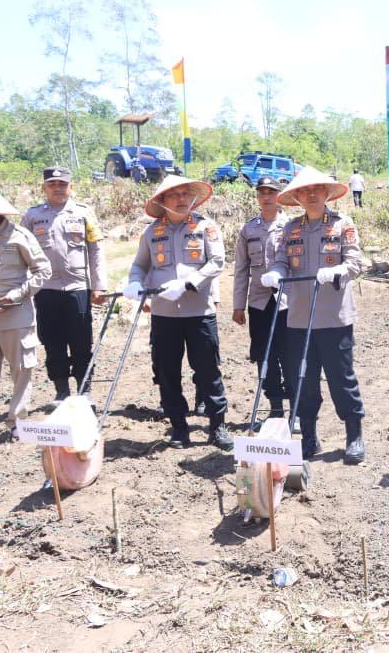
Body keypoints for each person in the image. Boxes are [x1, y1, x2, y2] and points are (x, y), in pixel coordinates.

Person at [260, 167, 366, 462]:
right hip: (298, 319)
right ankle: (308, 437)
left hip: (334, 318)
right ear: (297, 197)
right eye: (304, 191)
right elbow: (282, 261)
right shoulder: (290, 228)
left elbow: (355, 262)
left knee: (341, 379)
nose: (311, 195)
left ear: (326, 193)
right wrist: (275, 273)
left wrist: (336, 270)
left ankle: (354, 436)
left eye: (316, 189)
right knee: (302, 380)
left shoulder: (342, 224)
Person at [125, 175, 232, 450]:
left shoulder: (205, 227)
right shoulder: (152, 232)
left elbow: (217, 260)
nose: (182, 199)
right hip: (164, 315)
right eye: (174, 195)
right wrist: (135, 282)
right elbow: (140, 265)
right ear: (163, 201)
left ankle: (217, 426)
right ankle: (179, 427)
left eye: (186, 194)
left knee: (208, 370)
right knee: (167, 372)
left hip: (199, 312)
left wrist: (188, 282)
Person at [21, 166, 107, 410]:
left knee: (81, 341)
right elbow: (20, 250)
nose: (57, 188)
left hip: (77, 288)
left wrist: (99, 286)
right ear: (44, 188)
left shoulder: (83, 213)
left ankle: (84, 391)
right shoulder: (32, 215)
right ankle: (61, 392)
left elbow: (96, 250)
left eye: (62, 184)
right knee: (52, 341)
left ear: (71, 187)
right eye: (52, 184)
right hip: (45, 289)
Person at [0, 183, 51, 439]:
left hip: (15, 316)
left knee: (21, 370)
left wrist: (16, 295)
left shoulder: (19, 236)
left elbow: (43, 270)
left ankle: (17, 421)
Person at [233, 176, 290, 419]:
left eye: (271, 192)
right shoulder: (248, 229)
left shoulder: (291, 226)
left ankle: (296, 412)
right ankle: (275, 409)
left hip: (287, 303)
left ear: (279, 196)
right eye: (262, 193)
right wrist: (238, 305)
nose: (266, 197)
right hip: (258, 303)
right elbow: (241, 269)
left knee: (290, 355)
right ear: (257, 197)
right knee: (263, 356)